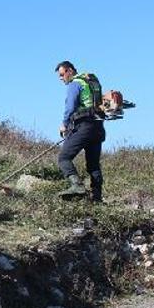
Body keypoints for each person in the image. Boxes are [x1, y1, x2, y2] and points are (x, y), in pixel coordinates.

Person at [55, 61, 106, 202]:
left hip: (84, 127)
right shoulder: (89, 81)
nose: (61, 78)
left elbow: (70, 106)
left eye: (61, 74)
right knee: (94, 165)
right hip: (98, 127)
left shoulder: (75, 84)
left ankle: (76, 185)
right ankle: (97, 198)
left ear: (69, 71)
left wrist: (64, 124)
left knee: (63, 158)